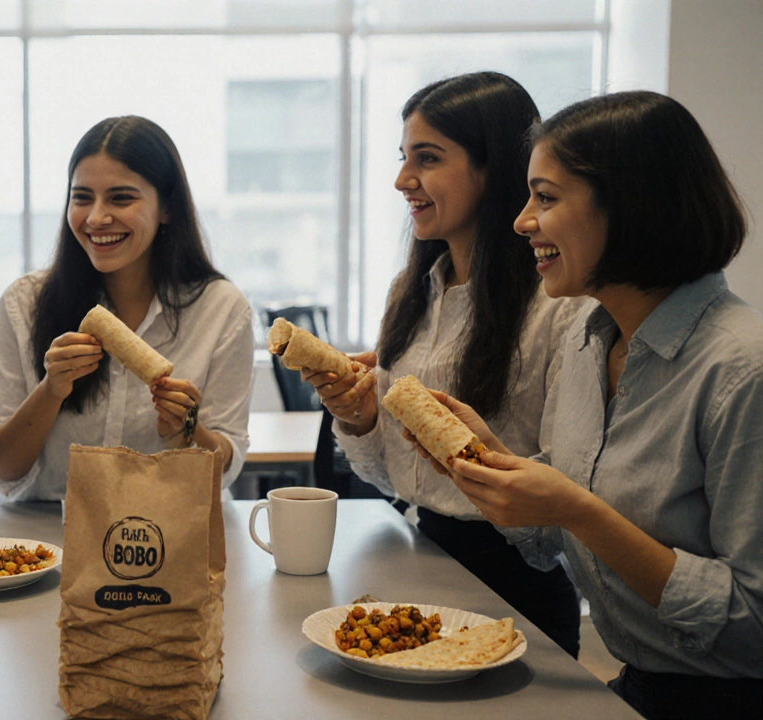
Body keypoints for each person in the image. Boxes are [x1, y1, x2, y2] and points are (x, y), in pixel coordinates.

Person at [430, 91, 762, 720]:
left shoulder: (743, 371)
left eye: (546, 197)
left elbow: (754, 626)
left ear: (632, 205)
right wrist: (490, 464)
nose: (521, 220)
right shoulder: (591, 338)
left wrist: (581, 512)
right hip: (635, 688)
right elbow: (553, 533)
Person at [305, 73, 585, 656]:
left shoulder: (558, 308)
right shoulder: (409, 292)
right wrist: (359, 421)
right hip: (423, 563)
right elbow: (396, 478)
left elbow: (563, 515)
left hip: (518, 590)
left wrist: (484, 466)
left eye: (427, 160)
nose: (403, 180)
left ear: (498, 170)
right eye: (404, 158)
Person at [0, 116, 254, 501]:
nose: (96, 217)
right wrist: (51, 390)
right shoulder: (23, 304)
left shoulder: (221, 309)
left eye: (121, 198)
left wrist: (186, 429)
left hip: (166, 537)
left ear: (167, 208)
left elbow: (224, 465)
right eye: (82, 197)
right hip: (42, 540)